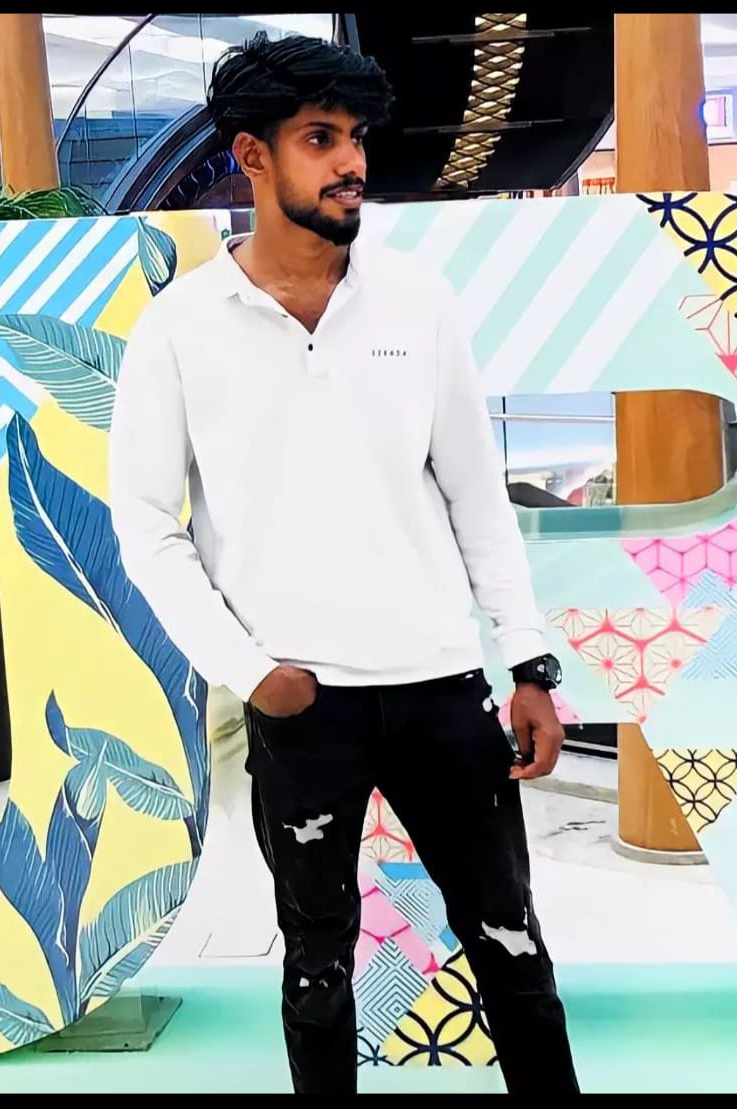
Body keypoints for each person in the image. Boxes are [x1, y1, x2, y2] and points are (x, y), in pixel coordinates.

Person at [108, 31, 580, 1097]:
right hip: (302, 702)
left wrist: (529, 663)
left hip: (443, 688)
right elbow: (144, 522)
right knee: (317, 967)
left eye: (356, 137)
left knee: (513, 945)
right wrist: (249, 671)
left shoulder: (417, 303)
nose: (351, 161)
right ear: (252, 155)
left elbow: (476, 493)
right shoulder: (180, 329)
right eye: (320, 138)